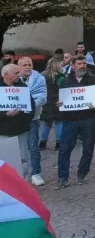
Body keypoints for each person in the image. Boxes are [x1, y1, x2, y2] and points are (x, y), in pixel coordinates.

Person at [55, 56, 95, 189]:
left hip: (89, 119)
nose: (82, 65)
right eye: (79, 63)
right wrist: (59, 104)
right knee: (65, 149)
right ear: (73, 66)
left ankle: (82, 174)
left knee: (88, 148)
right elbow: (60, 99)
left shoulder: (94, 80)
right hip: (70, 120)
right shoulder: (65, 81)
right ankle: (62, 177)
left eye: (84, 63)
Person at [1, 63, 33, 179]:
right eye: (16, 73)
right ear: (6, 75)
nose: (19, 75)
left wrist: (24, 121)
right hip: (3, 132)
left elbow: (31, 107)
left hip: (21, 130)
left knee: (23, 158)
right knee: (4, 159)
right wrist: (6, 114)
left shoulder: (22, 87)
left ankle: (23, 185)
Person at [18, 56, 47, 185]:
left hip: (32, 118)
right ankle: (18, 175)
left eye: (29, 64)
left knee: (33, 146)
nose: (28, 67)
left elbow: (41, 98)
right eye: (25, 65)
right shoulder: (13, 78)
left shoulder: (39, 79)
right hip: (15, 120)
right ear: (19, 67)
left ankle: (36, 173)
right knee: (17, 148)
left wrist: (25, 106)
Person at [38, 58, 64, 151]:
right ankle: (59, 143)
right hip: (58, 102)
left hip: (45, 103)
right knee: (59, 122)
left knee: (46, 123)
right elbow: (64, 89)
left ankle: (42, 142)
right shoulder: (60, 77)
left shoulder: (41, 76)